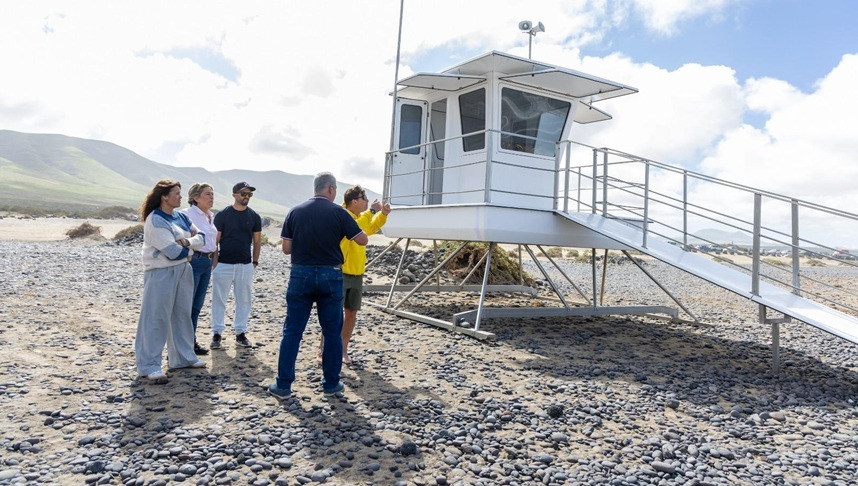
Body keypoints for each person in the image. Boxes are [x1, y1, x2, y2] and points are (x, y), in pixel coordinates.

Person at [269, 172, 368, 400]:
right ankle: (331, 384)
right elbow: (362, 240)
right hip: (330, 274)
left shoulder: (295, 211)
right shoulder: (339, 213)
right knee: (332, 331)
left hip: (300, 273)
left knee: (292, 330)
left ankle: (283, 385)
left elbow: (286, 249)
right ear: (331, 189)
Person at [135, 179, 207, 384]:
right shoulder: (155, 219)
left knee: (182, 315)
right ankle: (149, 365)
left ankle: (183, 358)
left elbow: (202, 237)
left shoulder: (181, 216)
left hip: (183, 270)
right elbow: (172, 251)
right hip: (161, 272)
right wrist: (191, 248)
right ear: (164, 197)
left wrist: (186, 242)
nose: (180, 197)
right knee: (155, 317)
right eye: (176, 193)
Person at [319, 185, 391, 365]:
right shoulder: (342, 215)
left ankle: (343, 350)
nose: (367, 201)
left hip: (357, 273)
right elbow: (356, 227)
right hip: (340, 272)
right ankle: (323, 350)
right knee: (333, 314)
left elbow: (370, 228)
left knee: (351, 313)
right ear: (354, 201)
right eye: (364, 198)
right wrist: (372, 211)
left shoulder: (359, 218)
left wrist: (382, 215)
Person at [210, 182, 262, 350]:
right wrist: (215, 262)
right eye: (243, 193)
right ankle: (217, 333)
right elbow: (215, 240)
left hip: (245, 265)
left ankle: (240, 333)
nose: (246, 196)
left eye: (249, 194)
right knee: (219, 299)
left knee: (244, 300)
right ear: (234, 194)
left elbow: (257, 241)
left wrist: (254, 262)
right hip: (223, 264)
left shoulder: (254, 216)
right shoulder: (223, 215)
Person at [180, 183, 217, 355]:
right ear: (196, 197)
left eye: (212, 194)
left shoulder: (210, 216)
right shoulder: (186, 214)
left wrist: (215, 257)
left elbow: (213, 240)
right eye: (207, 194)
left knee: (197, 305)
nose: (211, 197)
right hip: (194, 260)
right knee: (186, 304)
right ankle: (182, 345)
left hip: (207, 262)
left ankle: (191, 341)